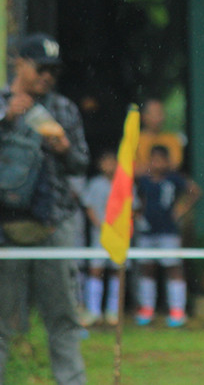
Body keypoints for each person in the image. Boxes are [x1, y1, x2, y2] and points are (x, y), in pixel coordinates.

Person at [0, 33, 90, 385]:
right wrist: (6, 118)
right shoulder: (2, 102)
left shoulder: (64, 108)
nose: (47, 76)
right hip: (4, 230)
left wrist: (65, 148)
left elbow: (81, 165)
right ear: (18, 63)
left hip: (55, 227)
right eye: (41, 68)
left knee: (64, 319)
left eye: (54, 70)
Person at [134, 145, 202, 328]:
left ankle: (177, 311)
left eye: (160, 159)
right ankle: (147, 309)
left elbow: (194, 191)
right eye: (153, 159)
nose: (157, 163)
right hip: (147, 231)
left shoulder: (175, 179)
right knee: (147, 268)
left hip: (168, 231)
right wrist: (139, 214)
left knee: (173, 269)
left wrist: (180, 210)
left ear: (167, 161)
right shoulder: (144, 180)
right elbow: (137, 199)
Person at [80, 149, 123, 327]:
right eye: (105, 161)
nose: (109, 165)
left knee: (116, 271)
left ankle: (113, 311)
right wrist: (99, 224)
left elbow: (133, 207)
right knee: (95, 270)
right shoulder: (95, 184)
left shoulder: (123, 183)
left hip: (118, 237)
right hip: (99, 236)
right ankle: (93, 311)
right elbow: (88, 206)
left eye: (112, 161)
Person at [134, 99, 185, 177]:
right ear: (144, 116)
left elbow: (175, 165)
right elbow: (132, 171)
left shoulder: (172, 139)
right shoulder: (134, 140)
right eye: (156, 113)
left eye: (161, 113)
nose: (160, 118)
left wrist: (150, 167)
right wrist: (160, 166)